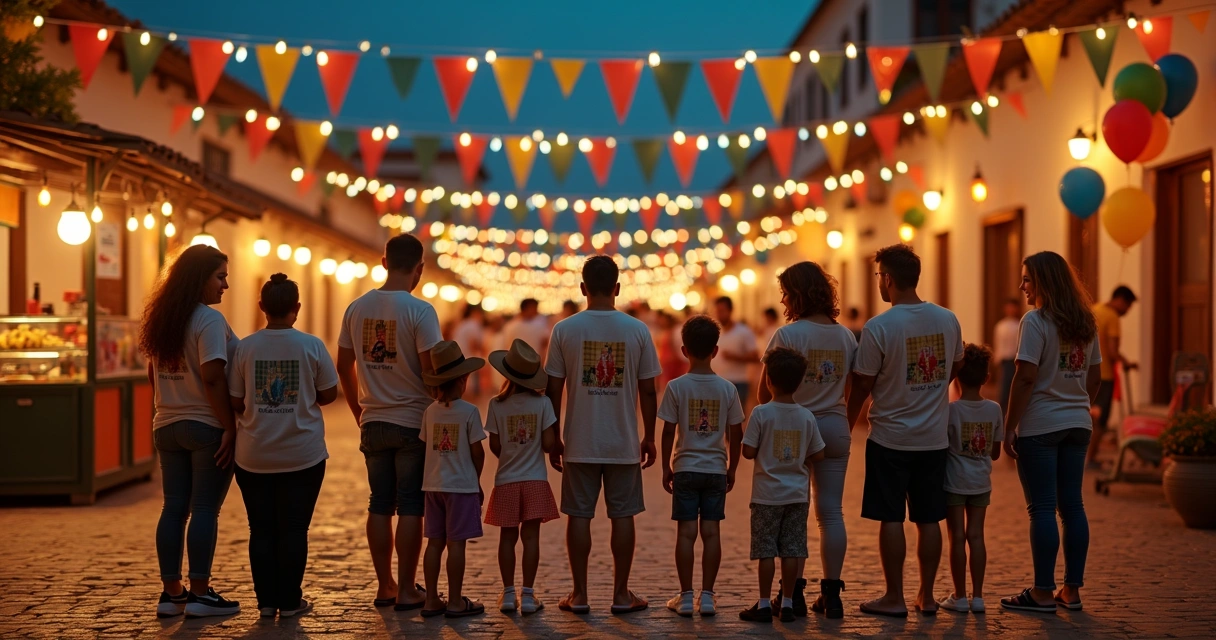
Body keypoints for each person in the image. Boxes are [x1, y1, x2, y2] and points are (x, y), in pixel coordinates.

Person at [847, 244, 964, 618]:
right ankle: (927, 596)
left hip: (890, 437)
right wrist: (930, 392)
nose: (879, 282)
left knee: (891, 517)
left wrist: (846, 425)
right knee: (930, 518)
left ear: (889, 279)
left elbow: (863, 384)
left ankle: (895, 596)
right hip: (933, 437)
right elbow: (956, 363)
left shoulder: (879, 327)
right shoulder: (947, 319)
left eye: (879, 276)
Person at [545, 255, 661, 614]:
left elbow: (553, 390)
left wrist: (553, 435)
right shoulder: (637, 330)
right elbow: (648, 390)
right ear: (617, 288)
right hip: (623, 440)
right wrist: (649, 436)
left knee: (579, 516)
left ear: (582, 288)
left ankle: (579, 594)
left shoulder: (564, 330)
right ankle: (621, 594)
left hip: (579, 439)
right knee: (622, 515)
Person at [336, 233, 444, 611]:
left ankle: (385, 585)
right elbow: (432, 372)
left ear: (383, 262)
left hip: (374, 420)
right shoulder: (421, 311)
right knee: (411, 504)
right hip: (413, 420)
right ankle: (408, 588)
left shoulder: (356, 308)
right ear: (419, 269)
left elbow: (342, 366)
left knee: (379, 503)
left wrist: (357, 411)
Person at [139, 244, 241, 619]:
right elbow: (214, 376)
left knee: (173, 508)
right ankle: (200, 593)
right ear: (199, 279)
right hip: (205, 425)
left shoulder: (164, 318)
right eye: (220, 277)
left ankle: (171, 593)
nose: (225, 285)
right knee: (203, 509)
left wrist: (168, 403)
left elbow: (153, 373)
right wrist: (228, 427)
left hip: (166, 423)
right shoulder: (208, 320)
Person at [228, 274, 338, 619]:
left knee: (260, 528)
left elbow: (235, 399)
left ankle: (264, 602)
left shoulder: (246, 347)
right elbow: (329, 393)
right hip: (302, 454)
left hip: (254, 454)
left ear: (261, 307)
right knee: (293, 528)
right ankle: (290, 601)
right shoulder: (312, 345)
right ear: (297, 308)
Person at [1000, 252, 1101, 614]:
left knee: (1042, 507)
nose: (1021, 286)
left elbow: (1024, 377)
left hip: (1041, 425)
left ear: (1043, 282)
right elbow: (1094, 377)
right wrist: (1075, 402)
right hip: (1077, 423)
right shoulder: (1085, 321)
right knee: (1072, 506)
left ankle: (1042, 592)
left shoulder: (1036, 321)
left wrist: (1009, 427)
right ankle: (1071, 590)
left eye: (1026, 279)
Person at [759, 261, 857, 618]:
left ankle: (792, 595)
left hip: (794, 429)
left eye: (786, 292)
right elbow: (850, 384)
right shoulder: (845, 335)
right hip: (833, 426)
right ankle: (832, 596)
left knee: (793, 516)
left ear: (797, 294)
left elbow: (763, 392)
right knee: (831, 513)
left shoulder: (788, 335)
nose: (783, 300)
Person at [658, 315, 744, 617]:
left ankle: (684, 596)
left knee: (685, 534)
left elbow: (668, 430)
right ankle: (707, 596)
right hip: (715, 468)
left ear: (684, 350)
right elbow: (736, 431)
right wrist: (732, 468)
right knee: (711, 533)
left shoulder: (676, 387)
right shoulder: (727, 389)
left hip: (685, 467)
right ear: (716, 350)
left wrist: (667, 466)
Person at [739, 348, 826, 623]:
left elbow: (748, 452)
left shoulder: (760, 414)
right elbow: (819, 453)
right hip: (797, 495)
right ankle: (787, 602)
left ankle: (764, 604)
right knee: (792, 549)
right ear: (800, 382)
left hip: (767, 495)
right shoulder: (806, 416)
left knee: (766, 551)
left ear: (768, 381)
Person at [484, 339, 560, 615]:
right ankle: (528, 595)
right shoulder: (542, 404)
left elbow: (494, 445)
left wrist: (510, 453)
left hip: (506, 480)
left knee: (507, 538)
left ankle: (507, 593)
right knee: (531, 538)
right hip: (535, 479)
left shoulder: (496, 404)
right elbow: (549, 443)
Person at [415, 341, 487, 618]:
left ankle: (432, 599)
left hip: (433, 486)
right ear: (461, 380)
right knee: (457, 544)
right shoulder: (469, 412)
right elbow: (477, 452)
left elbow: (425, 446)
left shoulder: (429, 412)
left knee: (434, 542)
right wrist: (476, 480)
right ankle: (456, 600)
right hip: (461, 486)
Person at [939, 344, 1003, 614]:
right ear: (986, 378)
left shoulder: (951, 411)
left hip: (954, 481)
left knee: (956, 537)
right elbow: (996, 453)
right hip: (981, 483)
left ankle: (960, 596)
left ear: (956, 377)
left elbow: (943, 446)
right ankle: (978, 597)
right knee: (976, 536)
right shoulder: (995, 409)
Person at [1088, 286, 1138, 467]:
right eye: (1128, 306)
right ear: (1121, 300)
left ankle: (1081, 456)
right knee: (1101, 418)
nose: (1127, 310)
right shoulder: (1113, 317)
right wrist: (1127, 362)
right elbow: (1112, 351)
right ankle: (1090, 458)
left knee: (1088, 415)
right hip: (1104, 375)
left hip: (1086, 372)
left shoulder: (1094, 310)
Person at [713, 296, 759, 407]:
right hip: (718, 381)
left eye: (722, 311)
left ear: (730, 310)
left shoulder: (744, 331)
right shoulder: (714, 332)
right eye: (717, 311)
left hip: (739, 382)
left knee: (736, 420)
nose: (719, 314)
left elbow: (755, 357)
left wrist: (735, 357)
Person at [994, 299, 1022, 411]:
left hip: (1016, 359)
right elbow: (998, 343)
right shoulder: (1000, 325)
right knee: (1004, 387)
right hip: (1004, 360)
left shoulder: (1019, 325)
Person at [452, 303, 485, 395]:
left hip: (458, 358)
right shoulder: (473, 324)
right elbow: (473, 343)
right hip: (468, 359)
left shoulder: (462, 324)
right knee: (469, 388)